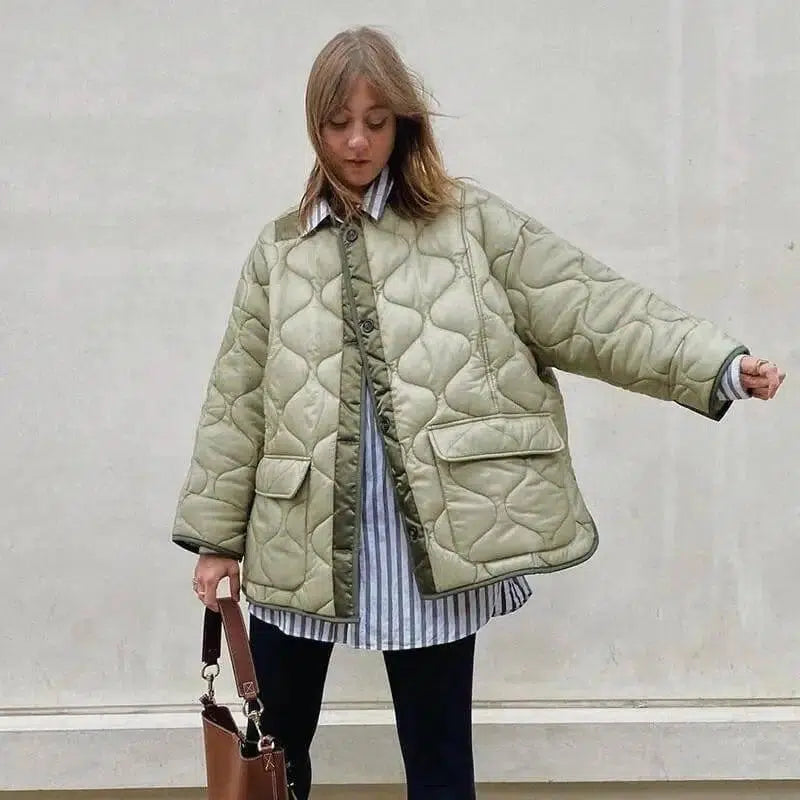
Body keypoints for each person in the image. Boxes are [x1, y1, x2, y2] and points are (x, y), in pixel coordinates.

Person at [172, 26, 785, 800]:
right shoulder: (280, 250)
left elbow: (590, 306)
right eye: (338, 122)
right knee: (277, 754)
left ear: (403, 123)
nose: (357, 141)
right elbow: (236, 399)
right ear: (314, 126)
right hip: (298, 539)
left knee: (438, 763)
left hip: (434, 548)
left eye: (376, 121)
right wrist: (217, 541)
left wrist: (716, 364)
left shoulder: (469, 225)